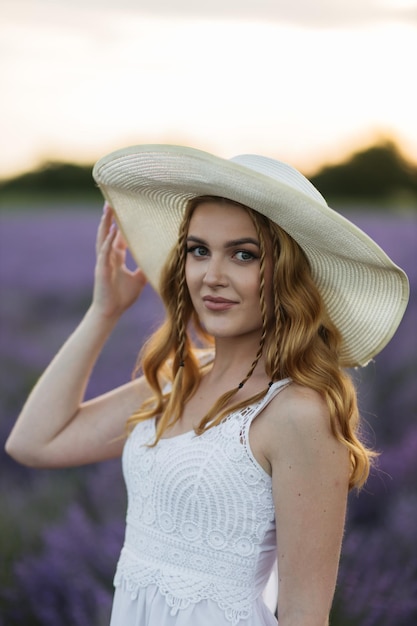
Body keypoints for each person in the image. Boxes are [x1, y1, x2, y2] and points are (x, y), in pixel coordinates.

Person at [5, 145, 409, 626]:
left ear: (288, 274)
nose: (211, 276)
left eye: (244, 254)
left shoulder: (297, 413)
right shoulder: (179, 379)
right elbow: (34, 444)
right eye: (199, 250)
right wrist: (103, 312)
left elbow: (305, 614)